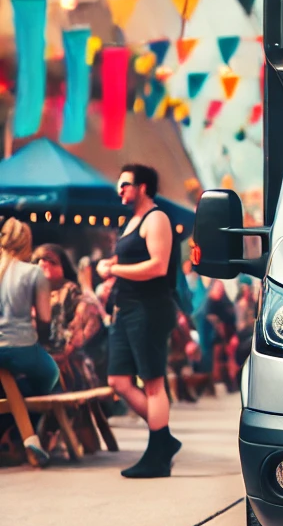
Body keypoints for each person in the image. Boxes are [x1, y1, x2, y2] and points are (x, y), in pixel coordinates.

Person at [97, 164, 182, 478]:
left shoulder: (156, 218)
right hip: (126, 308)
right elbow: (130, 260)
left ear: (143, 186)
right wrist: (112, 265)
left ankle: (158, 454)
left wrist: (114, 270)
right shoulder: (131, 221)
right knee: (118, 381)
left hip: (150, 309)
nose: (120, 190)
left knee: (153, 384)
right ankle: (164, 439)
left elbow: (158, 266)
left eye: (125, 184)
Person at [0, 218, 58, 463]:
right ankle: (27, 429)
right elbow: (44, 316)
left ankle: (15, 427)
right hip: (22, 347)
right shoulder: (33, 272)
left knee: (7, 386)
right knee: (51, 374)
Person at [33, 244, 105, 391]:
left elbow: (90, 321)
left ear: (62, 267)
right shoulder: (31, 295)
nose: (43, 264)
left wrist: (69, 348)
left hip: (67, 364)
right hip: (39, 361)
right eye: (39, 260)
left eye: (50, 261)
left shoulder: (71, 291)